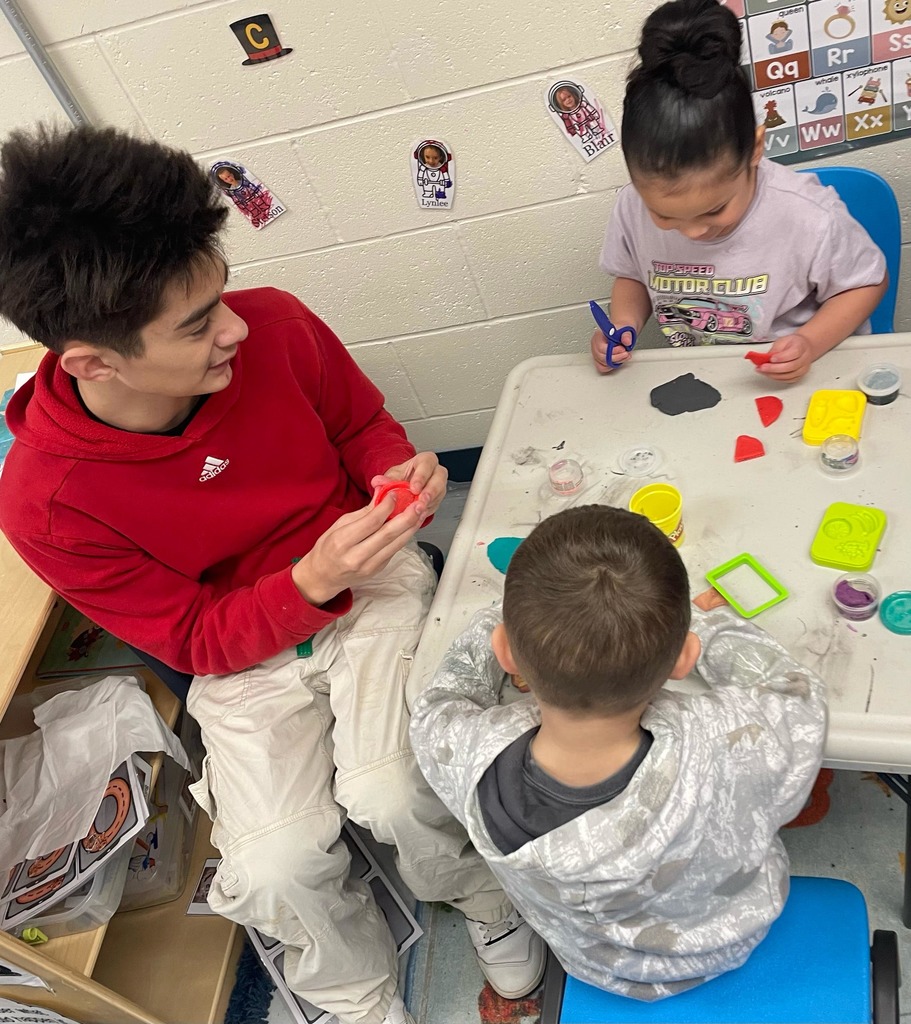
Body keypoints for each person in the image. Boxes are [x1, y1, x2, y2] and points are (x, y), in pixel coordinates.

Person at [0, 126, 545, 1024]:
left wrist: (391, 473)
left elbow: (361, 423)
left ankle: (486, 907)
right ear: (93, 362)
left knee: (396, 788)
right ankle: (359, 1001)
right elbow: (190, 640)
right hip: (242, 648)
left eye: (220, 293)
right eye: (198, 323)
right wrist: (304, 583)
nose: (236, 326)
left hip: (365, 584)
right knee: (274, 863)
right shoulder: (44, 503)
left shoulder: (280, 326)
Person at [410, 504, 827, 1001]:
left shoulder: (461, 754)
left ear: (507, 655)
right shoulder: (731, 740)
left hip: (595, 965)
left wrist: (500, 622)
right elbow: (796, 694)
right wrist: (709, 629)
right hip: (735, 935)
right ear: (682, 659)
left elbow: (440, 702)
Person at [590, 0, 887, 382]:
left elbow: (865, 283)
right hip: (705, 378)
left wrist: (810, 343)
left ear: (756, 149)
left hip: (795, 375)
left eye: (714, 210)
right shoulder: (631, 207)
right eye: (663, 215)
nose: (692, 231)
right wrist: (623, 326)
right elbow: (631, 275)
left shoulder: (809, 215)